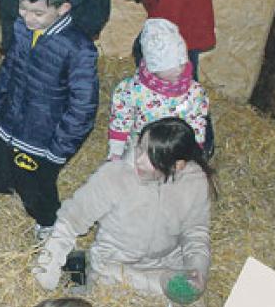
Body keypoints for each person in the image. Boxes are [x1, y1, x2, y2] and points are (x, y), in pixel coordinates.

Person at [0, 0, 99, 241]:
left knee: (35, 188)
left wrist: (58, 149)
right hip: (12, 120)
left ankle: (50, 225)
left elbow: (83, 106)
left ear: (62, 9)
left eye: (38, 13)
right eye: (23, 9)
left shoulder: (78, 48)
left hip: (43, 134)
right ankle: (20, 181)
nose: (28, 18)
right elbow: (8, 71)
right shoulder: (22, 30)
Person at [35, 118, 212, 293]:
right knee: (112, 281)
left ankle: (164, 284)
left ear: (177, 166)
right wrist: (47, 268)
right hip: (115, 267)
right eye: (140, 148)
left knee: (185, 291)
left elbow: (195, 231)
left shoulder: (193, 181)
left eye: (152, 157)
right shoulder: (114, 176)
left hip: (166, 264)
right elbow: (71, 220)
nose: (139, 160)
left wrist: (197, 269)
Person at [108, 18, 210, 159]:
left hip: (174, 151)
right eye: (170, 67)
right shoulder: (133, 90)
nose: (178, 70)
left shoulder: (194, 93)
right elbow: (122, 118)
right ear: (154, 67)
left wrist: (194, 152)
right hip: (140, 150)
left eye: (181, 64)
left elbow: (197, 122)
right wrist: (116, 150)